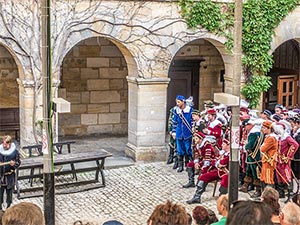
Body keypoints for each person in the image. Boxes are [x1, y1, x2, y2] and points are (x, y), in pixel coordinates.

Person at [186, 139, 230, 204]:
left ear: (228, 146)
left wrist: (218, 162)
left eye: (223, 144)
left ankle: (222, 199)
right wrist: (218, 163)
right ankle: (197, 197)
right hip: (218, 171)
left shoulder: (230, 154)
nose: (221, 145)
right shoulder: (222, 153)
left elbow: (223, 163)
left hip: (227, 173)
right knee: (204, 177)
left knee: (225, 181)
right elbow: (214, 161)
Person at [274, 122, 299, 201]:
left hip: (284, 160)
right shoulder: (278, 137)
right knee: (279, 176)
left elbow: (295, 145)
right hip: (278, 159)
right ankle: (281, 193)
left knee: (287, 176)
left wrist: (289, 156)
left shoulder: (287, 137)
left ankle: (290, 195)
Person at [239, 119, 264, 197]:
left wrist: (245, 147)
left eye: (245, 126)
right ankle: (245, 186)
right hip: (252, 155)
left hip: (254, 155)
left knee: (255, 172)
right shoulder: (258, 132)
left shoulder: (254, 133)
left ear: (250, 125)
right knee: (249, 171)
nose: (245, 128)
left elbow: (250, 145)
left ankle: (258, 190)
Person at [171, 95, 193, 172]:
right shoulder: (176, 111)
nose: (177, 104)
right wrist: (174, 132)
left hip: (187, 133)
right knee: (179, 150)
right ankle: (180, 165)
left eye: (179, 102)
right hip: (179, 132)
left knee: (188, 149)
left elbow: (192, 121)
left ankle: (188, 164)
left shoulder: (190, 110)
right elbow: (174, 122)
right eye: (177, 102)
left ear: (183, 102)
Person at [0, 135, 21, 210]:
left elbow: (18, 162)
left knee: (9, 196)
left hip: (9, 177)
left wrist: (14, 164)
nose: (4, 145)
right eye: (3, 143)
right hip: (1, 177)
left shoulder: (14, 152)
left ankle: (8, 208)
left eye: (5, 144)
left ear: (9, 143)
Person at [260, 121, 278, 190]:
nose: (262, 129)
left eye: (264, 128)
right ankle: (264, 194)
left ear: (269, 129)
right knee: (263, 177)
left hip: (269, 161)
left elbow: (262, 149)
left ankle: (269, 195)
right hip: (266, 160)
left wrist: (262, 146)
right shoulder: (268, 137)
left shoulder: (271, 138)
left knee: (268, 178)